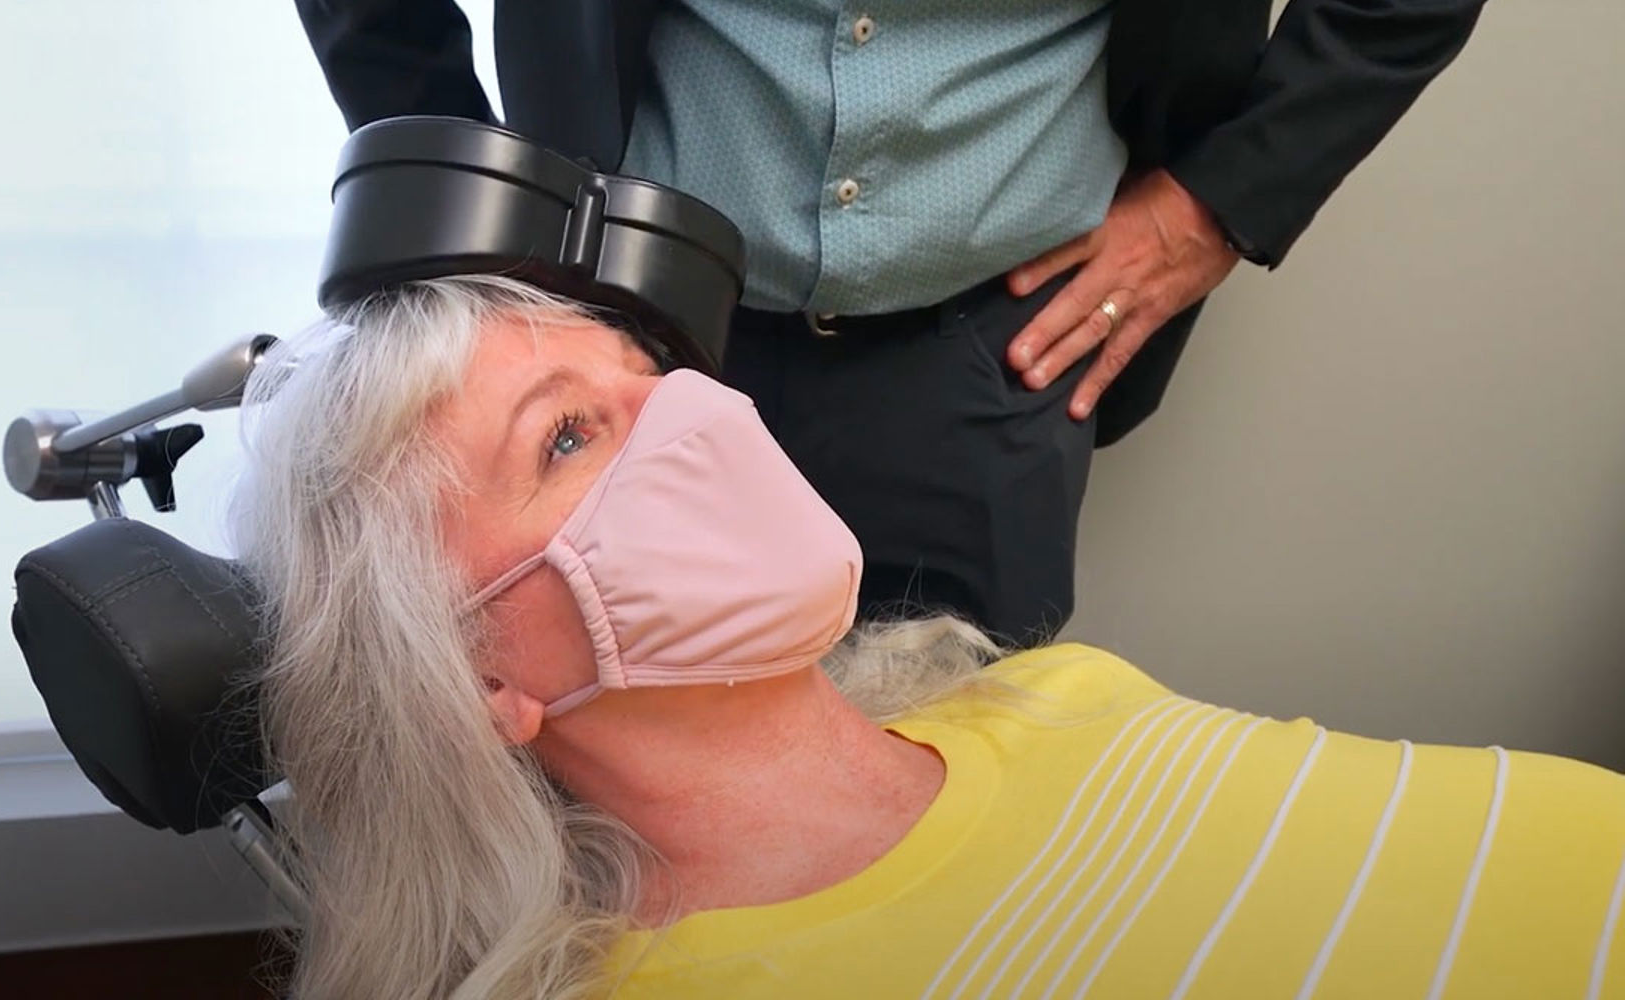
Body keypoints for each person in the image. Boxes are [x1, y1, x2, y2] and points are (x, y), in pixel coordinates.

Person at [229, 276, 1624, 1000]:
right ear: (471, 678)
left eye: (649, 371)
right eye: (571, 435)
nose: (695, 415)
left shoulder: (1037, 690)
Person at [270, 0, 1536, 644]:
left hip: (996, 351)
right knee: (597, 851)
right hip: (620, 337)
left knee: (954, 847)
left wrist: (1222, 199)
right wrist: (471, 203)